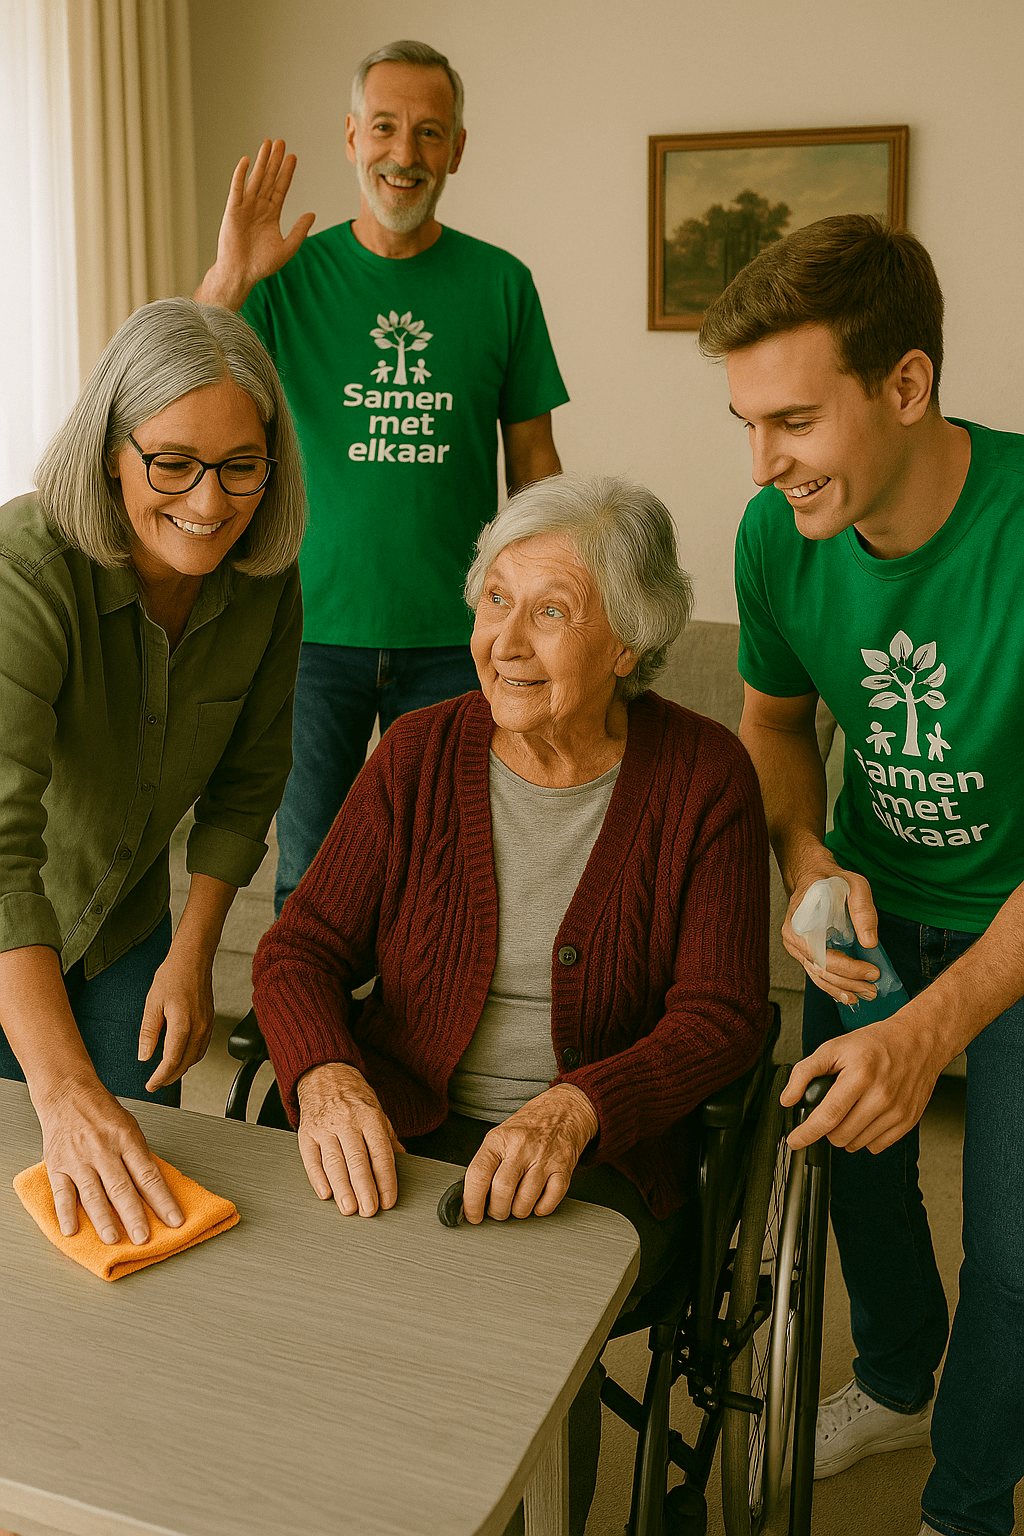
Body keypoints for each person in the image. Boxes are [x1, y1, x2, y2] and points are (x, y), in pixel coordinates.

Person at [252, 473, 771, 1534]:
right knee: (297, 1305)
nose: (508, 640)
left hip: (602, 1156)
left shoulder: (705, 776)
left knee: (518, 1344)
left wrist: (580, 1106)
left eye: (551, 611)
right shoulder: (416, 754)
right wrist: (328, 1072)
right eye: (496, 600)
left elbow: (724, 1016)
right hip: (404, 1115)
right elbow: (298, 949)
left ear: (629, 641)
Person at [700, 214, 1024, 1536]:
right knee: (850, 1160)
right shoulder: (776, 541)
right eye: (748, 426)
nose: (768, 463)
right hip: (879, 899)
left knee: (1014, 1254)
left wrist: (930, 1030)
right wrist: (809, 857)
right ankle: (894, 1375)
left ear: (907, 385)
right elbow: (774, 727)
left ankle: (964, 1501)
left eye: (793, 421)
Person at [194, 38, 569, 914]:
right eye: (389, 129)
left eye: (430, 133)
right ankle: (301, 1021)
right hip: (306, 629)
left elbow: (538, 466)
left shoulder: (503, 285)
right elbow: (176, 387)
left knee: (443, 861)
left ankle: (413, 1024)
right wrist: (229, 276)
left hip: (458, 635)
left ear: (457, 150)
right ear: (354, 136)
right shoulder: (286, 281)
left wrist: (553, 603)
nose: (407, 155)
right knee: (311, 860)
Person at [0, 297, 304, 1253]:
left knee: (135, 1215)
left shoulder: (266, 579)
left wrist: (191, 954)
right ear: (108, 451)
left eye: (240, 467)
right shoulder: (26, 568)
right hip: (12, 924)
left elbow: (249, 785)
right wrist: (62, 1087)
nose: (209, 504)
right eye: (171, 463)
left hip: (128, 921)